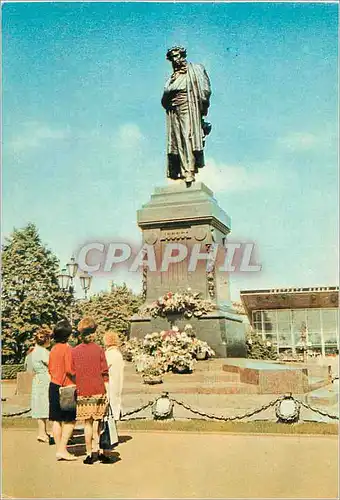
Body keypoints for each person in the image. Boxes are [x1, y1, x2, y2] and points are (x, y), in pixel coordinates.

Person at [161, 46, 212, 184]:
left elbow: (205, 89)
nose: (175, 60)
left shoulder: (195, 69)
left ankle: (189, 170)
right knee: (177, 141)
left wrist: (201, 110)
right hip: (174, 110)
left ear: (182, 55)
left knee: (187, 137)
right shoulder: (172, 77)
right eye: (172, 58)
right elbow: (165, 96)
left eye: (176, 56)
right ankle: (182, 171)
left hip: (188, 107)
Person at [72, 317, 111, 465]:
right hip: (98, 389)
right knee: (99, 423)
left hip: (83, 391)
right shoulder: (99, 350)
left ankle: (89, 454)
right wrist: (107, 392)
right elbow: (105, 372)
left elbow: (72, 371)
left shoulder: (75, 352)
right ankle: (101, 451)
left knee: (87, 424)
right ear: (94, 332)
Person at [48, 319, 77, 461]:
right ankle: (62, 449)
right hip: (66, 387)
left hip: (53, 385)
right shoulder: (67, 349)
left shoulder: (53, 349)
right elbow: (70, 369)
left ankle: (60, 449)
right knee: (70, 420)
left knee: (56, 419)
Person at [30, 328, 53, 443]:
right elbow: (51, 364)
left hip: (37, 379)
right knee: (47, 404)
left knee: (39, 406)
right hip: (45, 379)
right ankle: (46, 432)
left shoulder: (34, 351)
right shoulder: (44, 352)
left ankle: (41, 432)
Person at [103, 332, 124, 422]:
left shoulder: (108, 354)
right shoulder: (118, 354)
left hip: (109, 382)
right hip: (117, 381)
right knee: (116, 398)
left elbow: (104, 368)